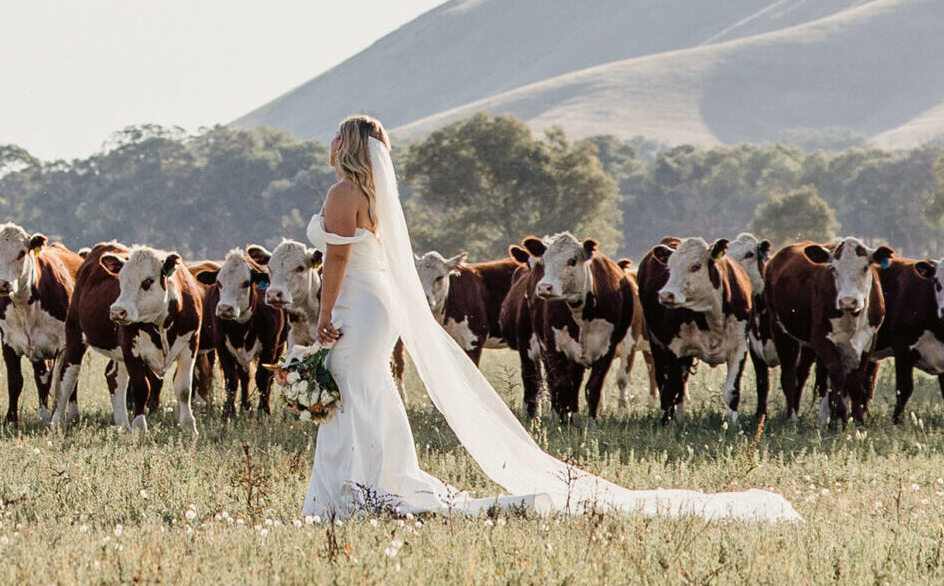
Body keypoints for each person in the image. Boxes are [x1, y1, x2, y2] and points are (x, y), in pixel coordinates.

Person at [299, 115, 801, 522]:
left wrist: (324, 316)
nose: (331, 142)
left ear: (351, 146)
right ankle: (370, 483)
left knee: (353, 389)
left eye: (337, 135)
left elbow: (338, 262)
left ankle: (353, 493)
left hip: (353, 306)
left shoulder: (342, 194)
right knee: (369, 391)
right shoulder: (375, 198)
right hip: (375, 306)